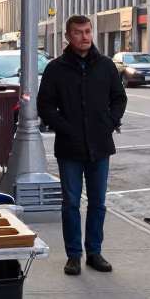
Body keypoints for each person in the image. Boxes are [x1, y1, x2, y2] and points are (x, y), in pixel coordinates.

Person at [37, 14, 127, 277]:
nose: (85, 37)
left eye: (88, 31)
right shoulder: (56, 69)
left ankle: (94, 253)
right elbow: (45, 105)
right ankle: (74, 256)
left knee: (98, 203)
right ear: (68, 36)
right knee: (71, 203)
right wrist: (65, 127)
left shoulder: (106, 65)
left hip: (100, 145)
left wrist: (109, 122)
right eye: (78, 32)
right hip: (70, 147)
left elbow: (119, 98)